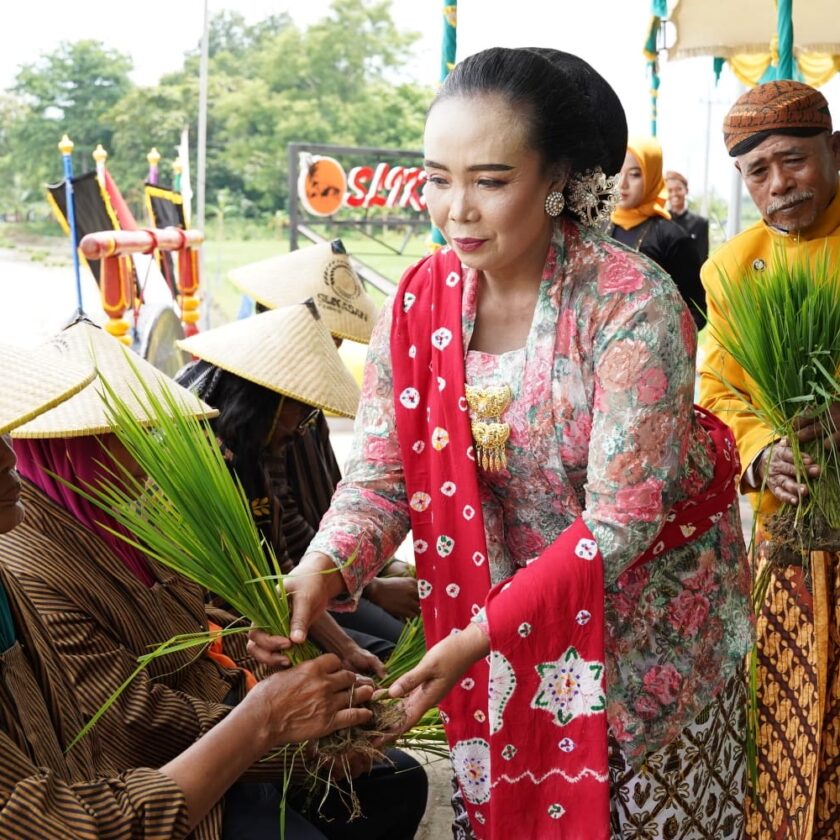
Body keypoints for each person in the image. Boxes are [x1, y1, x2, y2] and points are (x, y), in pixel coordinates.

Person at [248, 47, 753, 840]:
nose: (457, 209)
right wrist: (328, 562)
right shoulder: (418, 301)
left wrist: (478, 638)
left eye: (490, 180)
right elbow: (384, 473)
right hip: (494, 637)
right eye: (436, 177)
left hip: (646, 647)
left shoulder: (630, 304)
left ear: (557, 180)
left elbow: (621, 520)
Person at [2, 321, 428, 840]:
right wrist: (283, 731)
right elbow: (135, 722)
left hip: (230, 712)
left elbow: (207, 610)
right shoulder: (31, 565)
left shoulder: (130, 515)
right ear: (69, 448)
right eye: (125, 435)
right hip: (160, 771)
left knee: (398, 776)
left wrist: (272, 655)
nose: (148, 452)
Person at [698, 79, 840, 840]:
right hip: (788, 540)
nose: (778, 185)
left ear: (836, 151)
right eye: (758, 172)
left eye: (794, 161)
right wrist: (762, 450)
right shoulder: (729, 270)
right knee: (786, 709)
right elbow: (718, 392)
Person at [174, 301, 409, 657]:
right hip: (223, 631)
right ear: (268, 398)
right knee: (382, 653)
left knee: (383, 648)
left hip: (301, 589)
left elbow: (282, 560)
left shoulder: (262, 444)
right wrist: (366, 597)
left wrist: (348, 642)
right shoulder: (202, 455)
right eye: (302, 410)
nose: (303, 427)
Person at [231, 242, 421, 632]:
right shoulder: (251, 412)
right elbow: (278, 534)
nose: (333, 348)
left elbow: (336, 495)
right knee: (389, 642)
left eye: (336, 339)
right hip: (289, 582)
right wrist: (369, 585)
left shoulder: (307, 404)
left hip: (326, 564)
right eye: (327, 337)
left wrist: (377, 564)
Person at [608, 137, 706, 327]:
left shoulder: (671, 237)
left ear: (652, 175)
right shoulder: (598, 227)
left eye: (635, 174)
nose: (622, 184)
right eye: (618, 173)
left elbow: (696, 311)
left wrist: (658, 341)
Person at [665, 170, 710, 262]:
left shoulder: (700, 223)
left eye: (679, 189)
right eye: (670, 190)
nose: (674, 194)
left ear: (686, 190)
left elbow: (702, 257)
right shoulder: (660, 221)